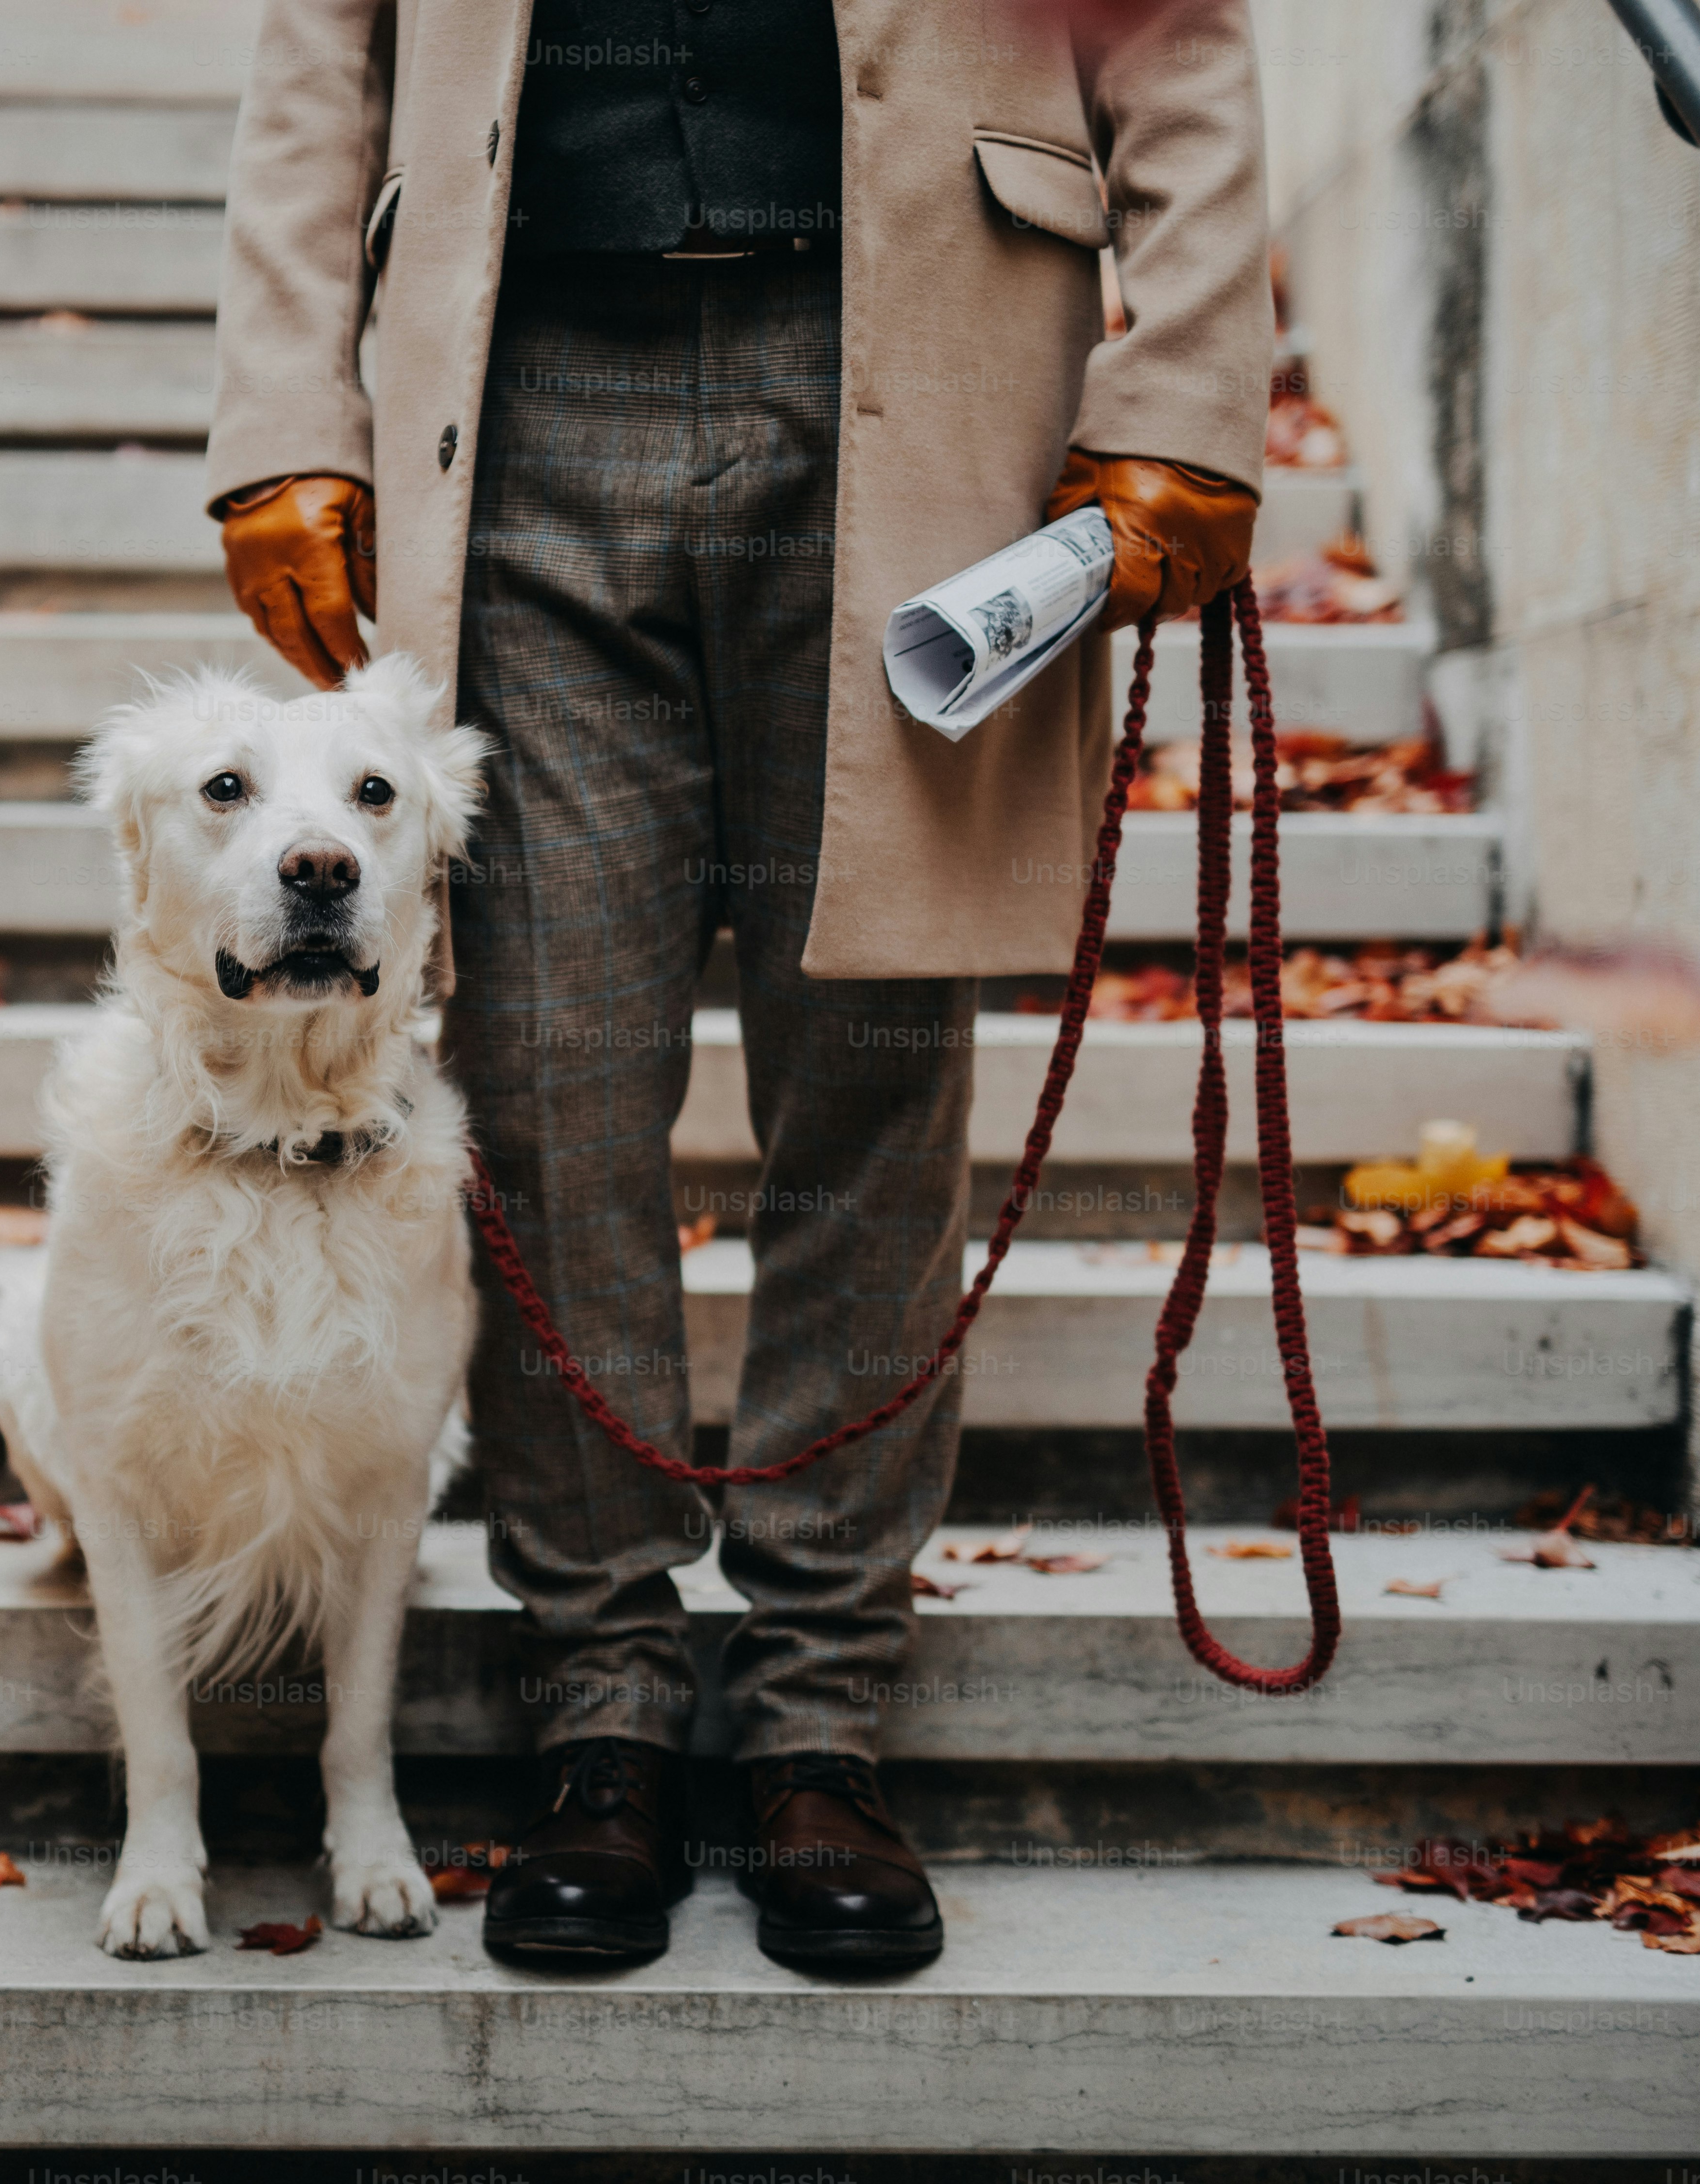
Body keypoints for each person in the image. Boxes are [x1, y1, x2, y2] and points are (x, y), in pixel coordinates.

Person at [205, 0, 1268, 1972]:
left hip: (924, 375)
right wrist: (284, 411)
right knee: (541, 1074)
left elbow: (1174, 31)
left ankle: (816, 1714)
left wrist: (1191, 392)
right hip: (518, 385)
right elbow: (319, 46)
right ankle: (602, 1696)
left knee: (872, 1066)